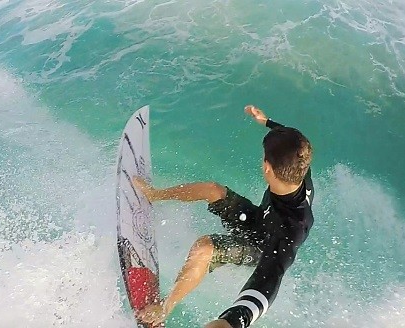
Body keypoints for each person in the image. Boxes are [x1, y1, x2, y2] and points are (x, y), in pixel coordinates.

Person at [134, 105, 314, 328]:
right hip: (259, 220)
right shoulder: (298, 164)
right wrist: (266, 122)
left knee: (204, 247)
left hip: (261, 247)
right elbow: (294, 140)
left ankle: (164, 308)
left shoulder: (290, 232)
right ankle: (154, 195)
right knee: (213, 190)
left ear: (267, 167)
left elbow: (269, 281)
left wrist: (232, 321)